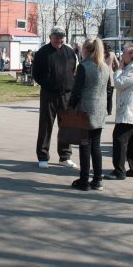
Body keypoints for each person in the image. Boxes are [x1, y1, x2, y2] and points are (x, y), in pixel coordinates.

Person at [32, 26, 78, 169]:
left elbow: (73, 71)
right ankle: (43, 156)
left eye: (62, 36)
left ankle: (65, 156)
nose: (59, 39)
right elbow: (36, 74)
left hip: (66, 94)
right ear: (50, 37)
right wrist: (48, 85)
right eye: (57, 36)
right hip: (49, 94)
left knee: (66, 126)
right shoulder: (42, 53)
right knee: (46, 125)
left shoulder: (70, 52)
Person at [68, 38, 111, 191]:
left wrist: (70, 107)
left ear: (85, 50)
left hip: (85, 109)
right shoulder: (105, 67)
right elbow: (109, 89)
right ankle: (97, 179)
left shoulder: (84, 67)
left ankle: (84, 179)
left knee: (84, 146)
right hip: (100, 109)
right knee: (96, 146)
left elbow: (77, 90)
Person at [106, 42, 133, 179]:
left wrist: (118, 69)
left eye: (124, 52)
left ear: (131, 55)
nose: (122, 55)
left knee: (120, 139)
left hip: (130, 110)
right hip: (132, 110)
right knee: (132, 141)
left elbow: (119, 84)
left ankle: (119, 171)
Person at [103, 42, 119, 115]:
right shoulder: (112, 54)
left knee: (102, 95)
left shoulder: (101, 54)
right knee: (110, 96)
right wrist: (113, 70)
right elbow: (117, 65)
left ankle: (103, 110)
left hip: (102, 76)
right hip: (110, 76)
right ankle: (109, 111)